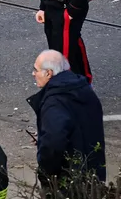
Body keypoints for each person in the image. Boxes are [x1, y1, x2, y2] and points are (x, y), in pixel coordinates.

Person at [29, 49, 105, 190]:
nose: (33, 74)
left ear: (48, 73)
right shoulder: (84, 90)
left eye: (36, 70)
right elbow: (81, 125)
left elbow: (54, 142)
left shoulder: (53, 102)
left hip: (68, 181)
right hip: (94, 173)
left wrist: (46, 175)